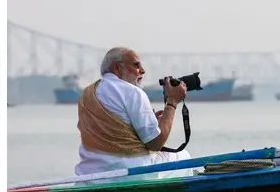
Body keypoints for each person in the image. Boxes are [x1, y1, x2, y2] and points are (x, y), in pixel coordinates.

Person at [73, 46, 191, 177]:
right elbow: (155, 143)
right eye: (136, 65)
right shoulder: (133, 92)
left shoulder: (87, 93)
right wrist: (172, 101)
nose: (143, 71)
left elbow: (112, 131)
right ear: (117, 68)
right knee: (184, 156)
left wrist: (151, 122)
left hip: (91, 174)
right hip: (131, 172)